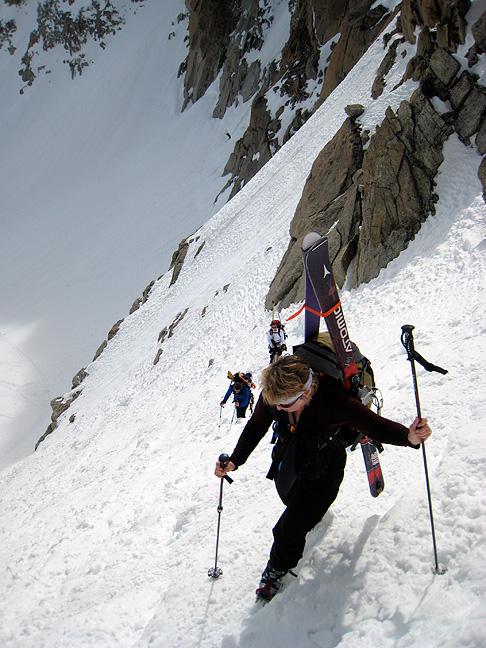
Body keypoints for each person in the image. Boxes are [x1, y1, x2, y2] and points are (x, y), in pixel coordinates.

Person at [214, 354, 432, 601]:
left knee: (289, 528)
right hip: (292, 457)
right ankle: (307, 521)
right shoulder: (276, 394)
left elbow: (375, 424)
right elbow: (256, 426)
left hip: (326, 468)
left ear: (305, 393)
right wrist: (235, 460)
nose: (278, 409)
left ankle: (276, 571)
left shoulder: (333, 402)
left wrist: (410, 438)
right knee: (290, 500)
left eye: (284, 405)